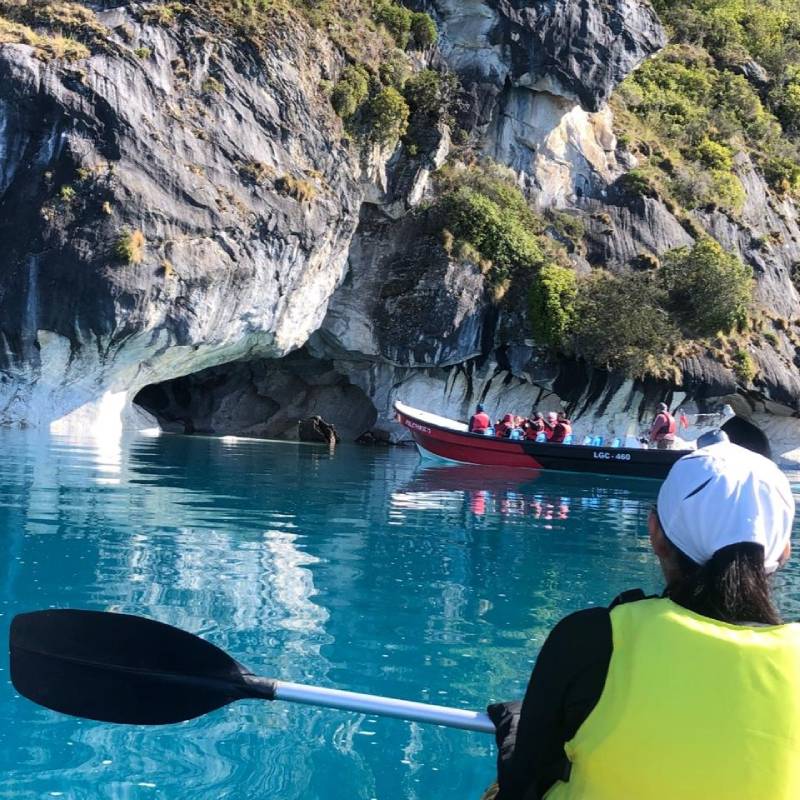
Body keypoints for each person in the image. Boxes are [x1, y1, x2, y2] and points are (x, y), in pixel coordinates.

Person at [487, 441, 800, 800]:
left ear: (655, 533)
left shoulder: (594, 639)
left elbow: (521, 784)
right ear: (784, 550)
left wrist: (515, 727)